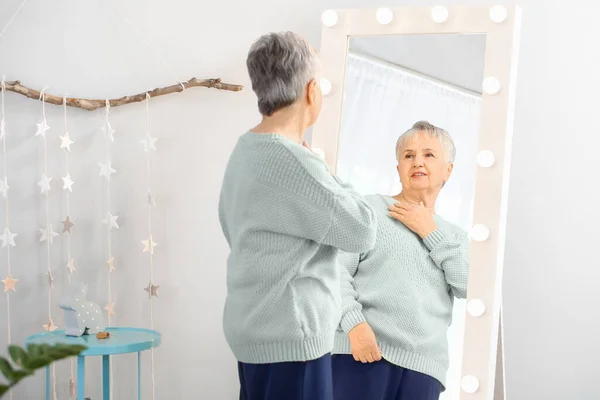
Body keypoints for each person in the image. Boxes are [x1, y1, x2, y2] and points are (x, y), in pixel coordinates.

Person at [218, 31, 378, 400]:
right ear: (311, 90)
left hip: (253, 331)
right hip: (292, 338)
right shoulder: (295, 162)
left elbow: (230, 225)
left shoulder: (245, 150)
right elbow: (362, 229)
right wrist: (325, 169)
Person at [332, 121, 470, 400]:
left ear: (448, 170)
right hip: (360, 354)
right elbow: (333, 271)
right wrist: (354, 325)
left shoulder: (455, 236)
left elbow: (469, 285)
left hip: (424, 372)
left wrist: (429, 230)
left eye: (429, 155)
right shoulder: (368, 209)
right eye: (408, 155)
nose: (417, 162)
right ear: (399, 169)